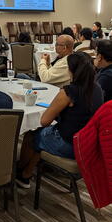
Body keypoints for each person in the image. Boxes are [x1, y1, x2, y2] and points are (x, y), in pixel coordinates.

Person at [16, 52, 103, 188]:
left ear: (71, 70)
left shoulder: (69, 92)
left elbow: (45, 121)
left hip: (69, 144)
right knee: (41, 136)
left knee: (31, 135)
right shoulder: (97, 89)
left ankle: (20, 171)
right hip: (88, 142)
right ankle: (26, 174)